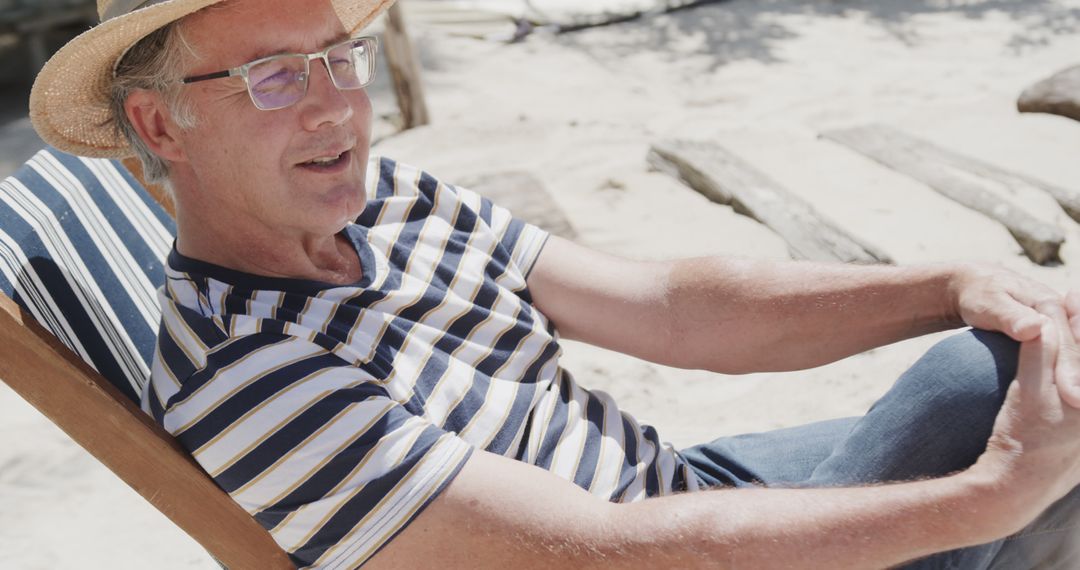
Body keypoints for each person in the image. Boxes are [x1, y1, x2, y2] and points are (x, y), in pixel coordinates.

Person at [28, 0, 1080, 568]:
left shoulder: (378, 199)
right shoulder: (252, 379)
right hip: (660, 552)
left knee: (1018, 344)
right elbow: (607, 557)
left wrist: (952, 278)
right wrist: (991, 498)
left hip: (685, 488)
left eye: (337, 59)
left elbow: (675, 309)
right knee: (1002, 404)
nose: (334, 108)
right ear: (163, 124)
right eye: (272, 76)